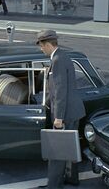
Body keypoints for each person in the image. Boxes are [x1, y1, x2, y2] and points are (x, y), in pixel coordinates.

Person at [36, 29, 86, 189]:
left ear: (48, 44)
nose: (40, 49)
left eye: (41, 45)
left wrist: (58, 117)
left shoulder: (57, 60)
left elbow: (60, 91)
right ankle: (72, 179)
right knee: (70, 147)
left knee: (56, 152)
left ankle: (53, 186)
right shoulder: (62, 56)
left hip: (65, 114)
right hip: (73, 111)